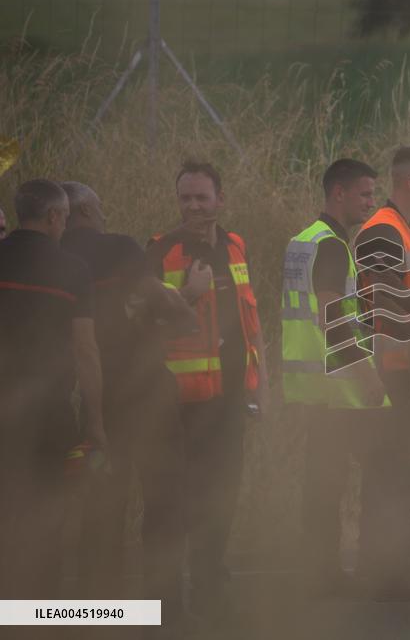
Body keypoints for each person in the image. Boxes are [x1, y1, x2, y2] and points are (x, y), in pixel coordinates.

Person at [61, 182, 195, 626]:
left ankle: (96, 617)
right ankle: (163, 616)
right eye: (98, 207)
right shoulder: (117, 247)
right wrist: (184, 304)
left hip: (96, 400)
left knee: (102, 511)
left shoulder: (58, 259)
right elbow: (165, 302)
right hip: (149, 397)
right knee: (163, 505)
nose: (103, 214)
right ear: (82, 209)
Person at [146, 161, 269, 621]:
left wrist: (264, 389)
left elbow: (250, 323)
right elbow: (141, 326)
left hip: (230, 402)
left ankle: (210, 595)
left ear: (221, 199)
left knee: (221, 499)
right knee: (172, 507)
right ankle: (164, 610)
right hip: (177, 407)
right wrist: (189, 295)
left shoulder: (235, 246)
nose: (193, 206)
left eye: (201, 197)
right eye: (185, 198)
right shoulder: (161, 250)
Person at [280, 159, 390, 596]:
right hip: (336, 387)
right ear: (338, 193)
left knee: (320, 482)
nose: (370, 202)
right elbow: (330, 316)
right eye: (364, 194)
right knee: (333, 484)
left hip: (311, 385)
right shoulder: (330, 246)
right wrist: (366, 375)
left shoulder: (302, 240)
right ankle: (324, 577)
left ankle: (317, 571)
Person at [0, 179, 105, 600]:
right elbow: (86, 350)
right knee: (46, 520)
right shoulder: (72, 270)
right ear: (55, 217)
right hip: (49, 417)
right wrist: (95, 423)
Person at [353, 146, 410, 600]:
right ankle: (385, 575)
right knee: (390, 476)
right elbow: (388, 316)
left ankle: (392, 569)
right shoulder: (385, 233)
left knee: (396, 477)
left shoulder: (404, 227)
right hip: (391, 374)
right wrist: (408, 384)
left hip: (399, 370)